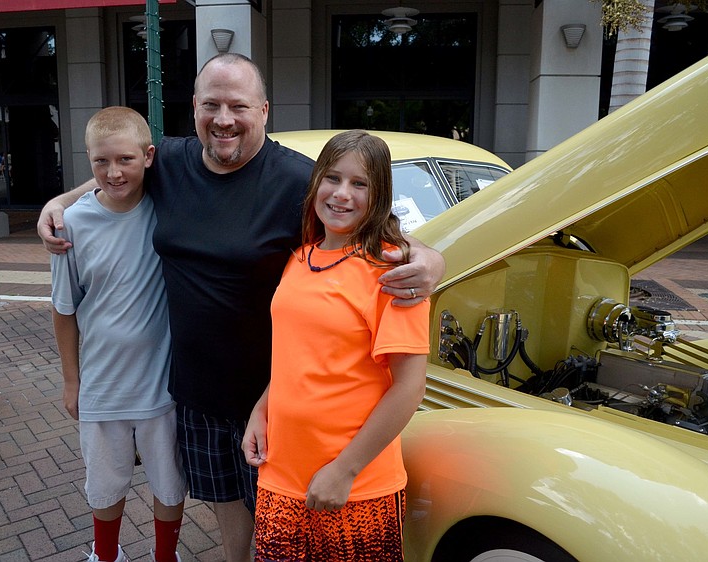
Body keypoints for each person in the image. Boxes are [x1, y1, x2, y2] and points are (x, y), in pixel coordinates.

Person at [38, 54, 444, 562]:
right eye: (212, 105)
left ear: (264, 111)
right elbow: (118, 167)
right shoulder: (171, 160)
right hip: (195, 389)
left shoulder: (297, 180)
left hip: (273, 393)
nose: (223, 119)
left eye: (239, 106)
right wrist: (62, 201)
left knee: (285, 515)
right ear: (194, 107)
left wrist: (429, 256)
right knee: (226, 500)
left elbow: (360, 219)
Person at [242, 130, 428, 561]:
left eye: (359, 183)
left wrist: (344, 470)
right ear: (316, 184)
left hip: (357, 487)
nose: (342, 193)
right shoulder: (298, 259)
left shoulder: (393, 273)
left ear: (379, 196)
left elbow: (410, 388)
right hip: (280, 477)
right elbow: (295, 358)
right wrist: (261, 411)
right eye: (333, 178)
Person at [50, 107, 187, 562]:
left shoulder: (169, 209)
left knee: (169, 483)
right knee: (104, 484)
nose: (114, 172)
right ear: (88, 160)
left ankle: (165, 555)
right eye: (101, 161)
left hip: (161, 386)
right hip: (101, 384)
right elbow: (64, 309)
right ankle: (106, 555)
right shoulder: (72, 224)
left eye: (125, 159)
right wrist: (71, 380)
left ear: (148, 156)